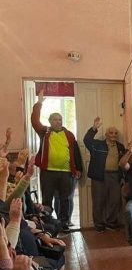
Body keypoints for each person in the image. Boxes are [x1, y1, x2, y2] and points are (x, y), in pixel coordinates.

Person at [30, 90, 83, 229]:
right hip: (48, 172)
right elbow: (34, 121)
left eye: (60, 119)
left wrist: (78, 168)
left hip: (66, 173)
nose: (58, 121)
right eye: (55, 119)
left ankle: (64, 223)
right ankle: (48, 224)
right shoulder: (45, 132)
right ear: (50, 121)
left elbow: (76, 152)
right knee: (47, 199)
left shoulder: (69, 134)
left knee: (65, 199)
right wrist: (39, 103)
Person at [83, 117, 125, 232]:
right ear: (106, 134)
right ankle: (99, 225)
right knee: (98, 201)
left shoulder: (121, 147)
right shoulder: (97, 144)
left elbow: (123, 163)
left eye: (115, 133)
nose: (113, 135)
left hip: (115, 176)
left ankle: (111, 223)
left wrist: (123, 177)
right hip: (99, 176)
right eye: (111, 133)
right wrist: (94, 128)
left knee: (115, 201)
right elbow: (86, 140)